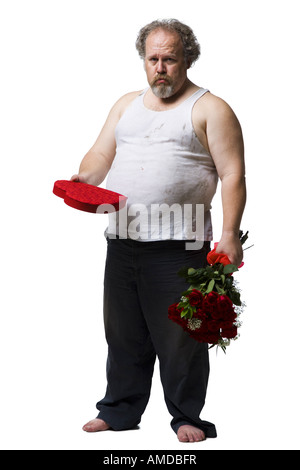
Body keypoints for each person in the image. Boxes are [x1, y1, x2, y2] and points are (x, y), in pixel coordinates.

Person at [71, 19, 246, 443]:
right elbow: (100, 153)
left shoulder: (210, 108)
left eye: (170, 58)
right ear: (144, 60)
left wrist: (228, 235)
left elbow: (233, 174)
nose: (161, 68)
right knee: (123, 334)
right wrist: (82, 179)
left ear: (188, 59)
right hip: (123, 239)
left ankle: (187, 416)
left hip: (181, 247)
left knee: (182, 339)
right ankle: (118, 411)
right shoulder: (126, 104)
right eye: (153, 59)